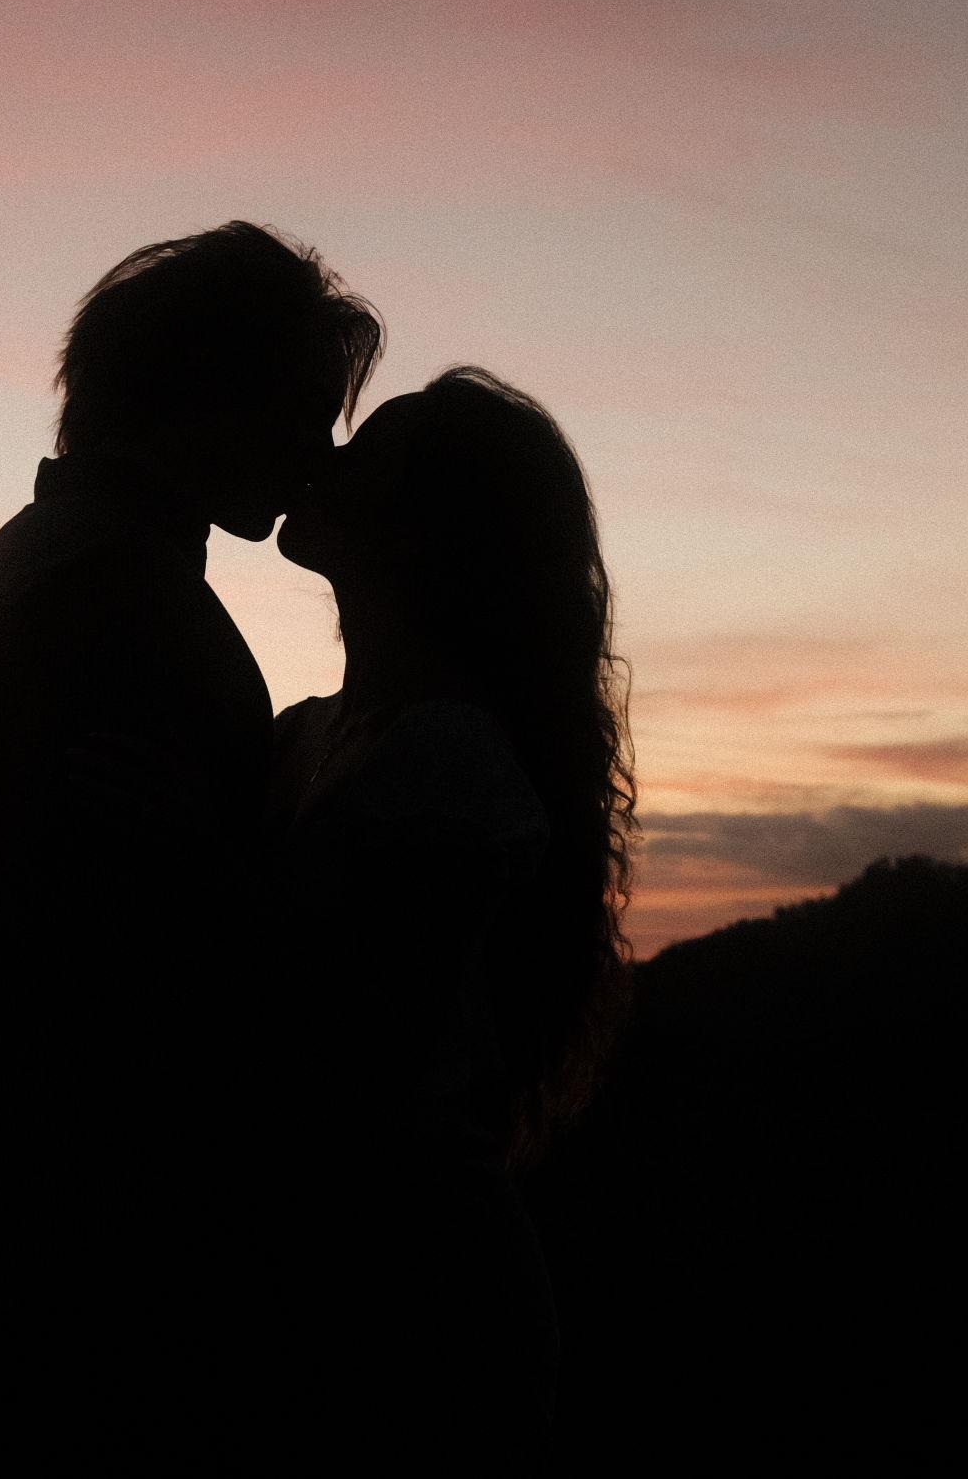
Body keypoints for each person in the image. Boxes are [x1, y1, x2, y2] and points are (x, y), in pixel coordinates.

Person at [0, 221, 382, 1462]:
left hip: (8, 1251)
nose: (317, 455)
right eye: (302, 412)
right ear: (212, 396)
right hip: (96, 1291)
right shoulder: (121, 601)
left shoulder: (43, 563)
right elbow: (157, 991)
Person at [263, 366, 636, 1472]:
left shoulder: (448, 765)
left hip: (417, 1311)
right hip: (340, 1286)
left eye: (371, 452)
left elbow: (328, 1066)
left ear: (429, 535)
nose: (327, 458)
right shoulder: (306, 734)